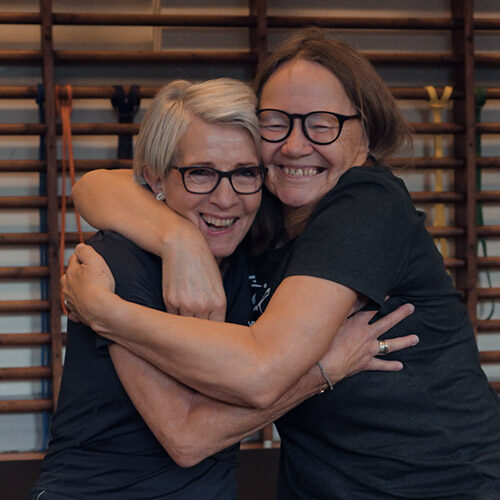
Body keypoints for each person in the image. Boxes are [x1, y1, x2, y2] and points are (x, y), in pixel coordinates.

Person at [64, 28, 500, 499]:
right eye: (277, 122)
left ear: (365, 135)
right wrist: (179, 240)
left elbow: (261, 372)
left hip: (436, 484)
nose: (295, 145)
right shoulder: (259, 207)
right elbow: (96, 186)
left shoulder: (367, 204)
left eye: (323, 124)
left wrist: (106, 313)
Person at [30, 77, 414, 500]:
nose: (226, 199)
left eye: (245, 173)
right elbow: (187, 439)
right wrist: (327, 367)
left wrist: (185, 241)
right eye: (201, 173)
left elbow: (96, 187)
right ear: (156, 179)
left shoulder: (251, 247)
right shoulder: (116, 264)